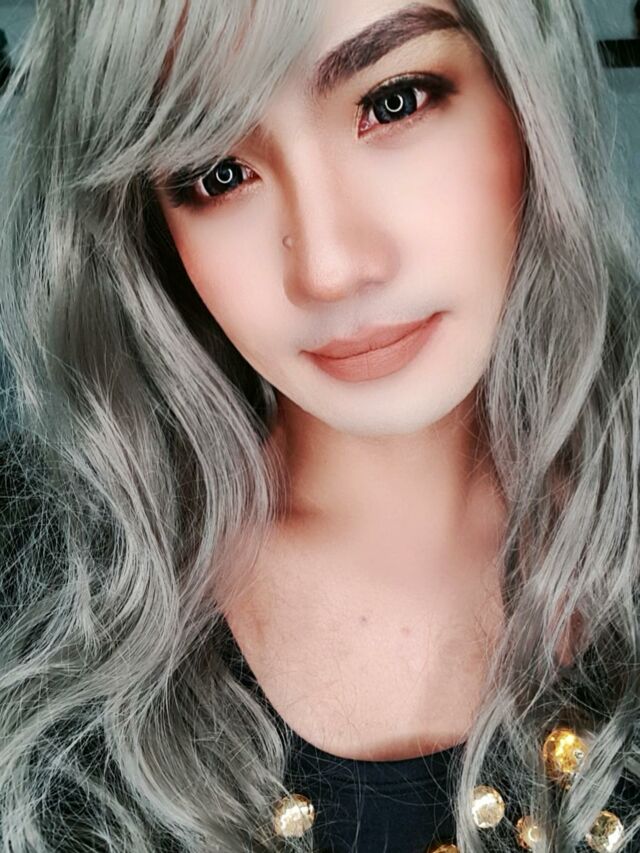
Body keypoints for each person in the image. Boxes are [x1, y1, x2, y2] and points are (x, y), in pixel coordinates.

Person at [0, 1, 638, 851]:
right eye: (217, 173)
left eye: (394, 102)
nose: (331, 269)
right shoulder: (38, 601)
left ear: (526, 93)